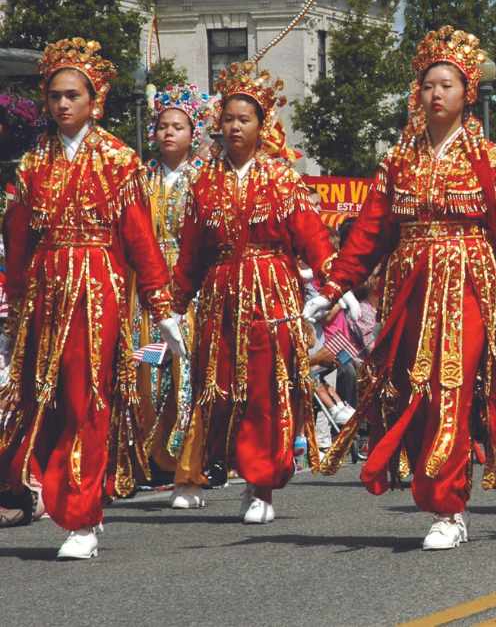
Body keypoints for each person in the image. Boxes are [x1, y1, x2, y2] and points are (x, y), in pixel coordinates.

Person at [307, 26, 496, 549]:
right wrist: (332, 288)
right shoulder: (399, 159)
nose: (437, 92)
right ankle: (439, 493)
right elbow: (372, 231)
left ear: (468, 93)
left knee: (453, 384)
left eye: (448, 84)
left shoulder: (488, 158)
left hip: (467, 280)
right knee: (412, 391)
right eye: (428, 84)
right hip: (411, 286)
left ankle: (448, 507)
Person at [0, 38, 182, 560]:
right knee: (38, 398)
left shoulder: (119, 160)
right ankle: (41, 490)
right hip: (44, 293)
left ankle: (81, 514)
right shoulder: (34, 164)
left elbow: (139, 240)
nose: (62, 105)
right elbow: (18, 242)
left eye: (72, 94)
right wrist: (14, 305)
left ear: (94, 100)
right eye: (55, 95)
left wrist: (161, 307)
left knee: (86, 398)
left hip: (96, 291)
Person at [170, 62, 340, 525]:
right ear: (218, 125)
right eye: (228, 118)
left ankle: (261, 483)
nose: (235, 126)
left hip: (271, 296)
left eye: (245, 119)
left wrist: (332, 282)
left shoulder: (282, 180)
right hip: (222, 298)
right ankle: (239, 468)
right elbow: (191, 254)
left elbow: (313, 238)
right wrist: (173, 304)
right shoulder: (204, 183)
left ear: (262, 126)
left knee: (266, 391)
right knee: (224, 390)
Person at [139, 84, 212, 509]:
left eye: (178, 126)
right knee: (147, 374)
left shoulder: (204, 178)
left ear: (193, 131)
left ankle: (189, 473)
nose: (169, 133)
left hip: (190, 292)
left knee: (188, 378)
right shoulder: (140, 178)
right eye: (163, 126)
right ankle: (149, 462)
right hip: (146, 293)